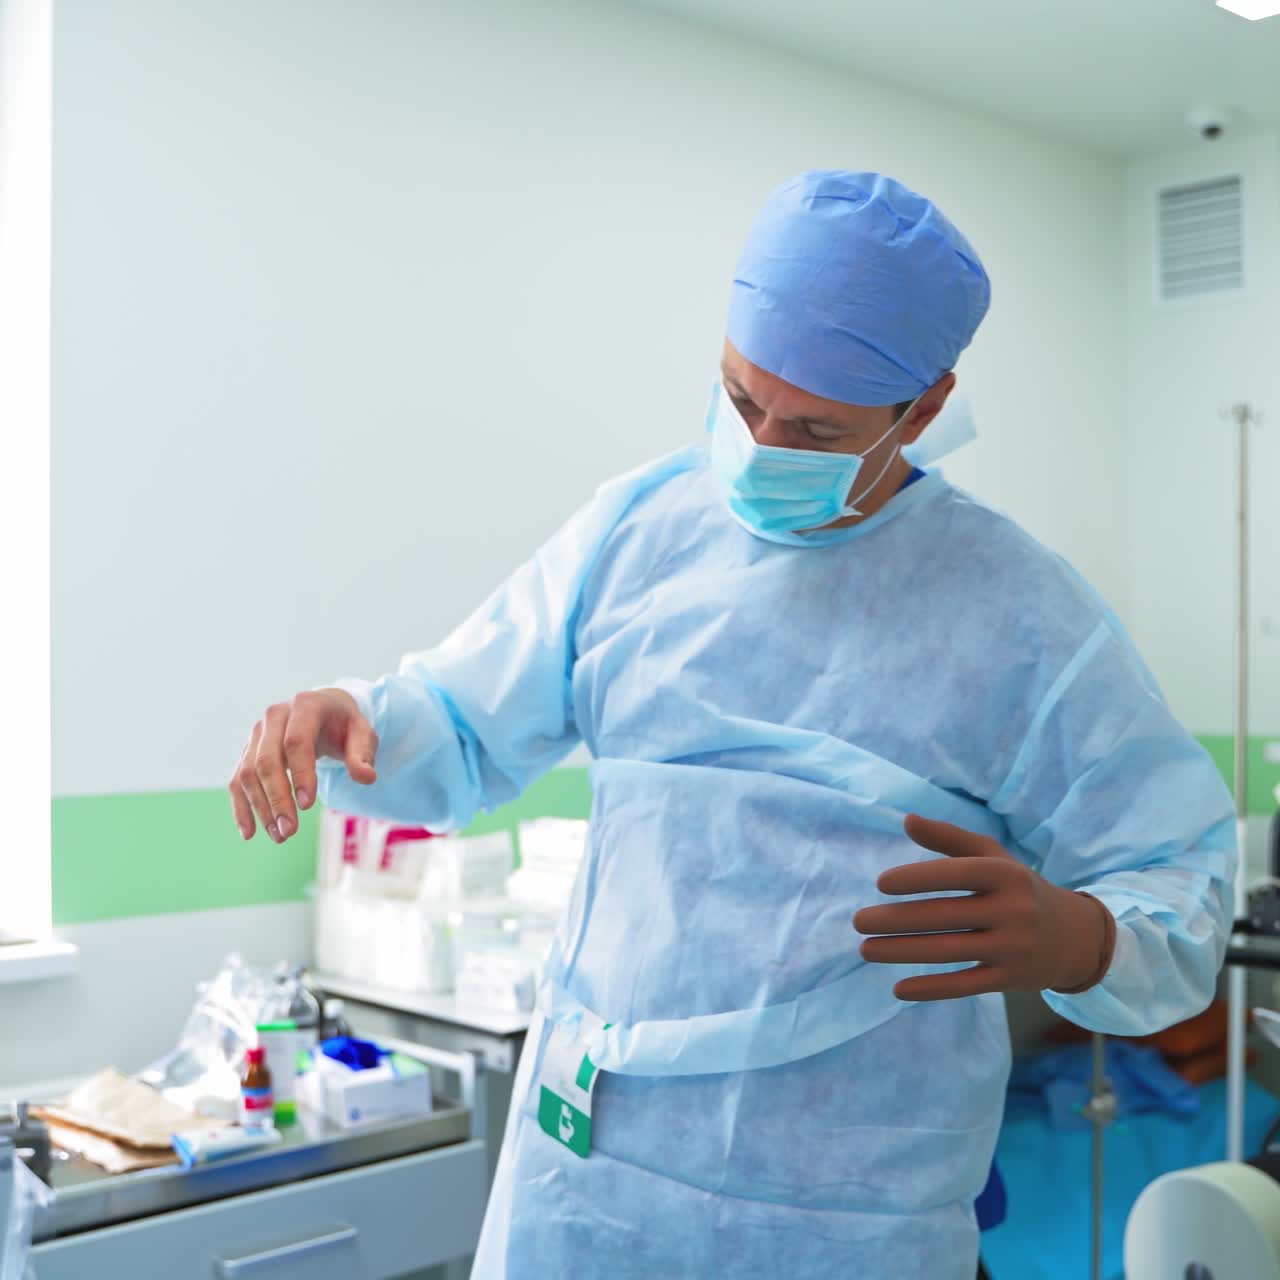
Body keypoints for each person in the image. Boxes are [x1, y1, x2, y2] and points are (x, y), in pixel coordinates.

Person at [230, 171, 1236, 1278]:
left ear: (923, 409)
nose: (758, 444)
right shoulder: (634, 532)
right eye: (739, 398)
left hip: (847, 1210)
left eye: (813, 429)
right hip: (590, 1174)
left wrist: (1074, 936)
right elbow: (461, 724)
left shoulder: (1019, 613)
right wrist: (355, 720)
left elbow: (1178, 876)